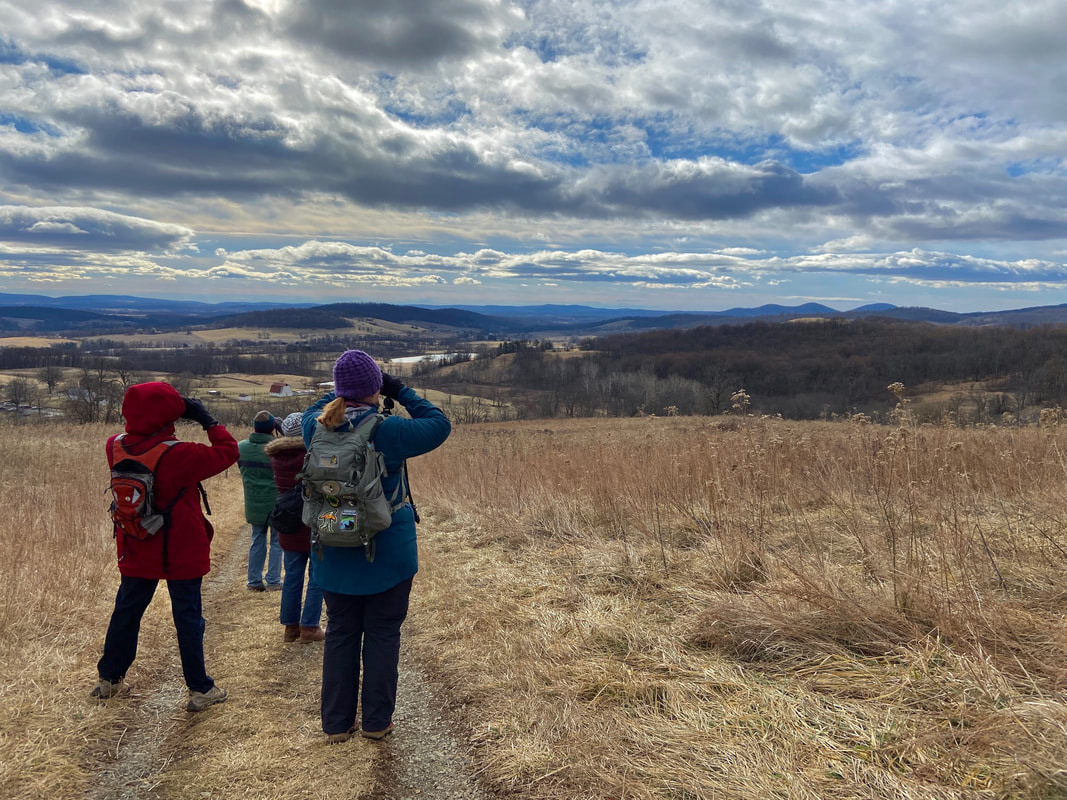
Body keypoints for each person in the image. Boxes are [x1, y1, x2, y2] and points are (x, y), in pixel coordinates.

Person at [302, 350, 450, 743]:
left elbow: (316, 408)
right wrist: (398, 388)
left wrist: (343, 391)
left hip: (332, 547)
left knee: (340, 633)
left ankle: (336, 724)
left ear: (338, 389)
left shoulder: (311, 428)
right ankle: (375, 723)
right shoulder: (388, 431)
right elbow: (438, 423)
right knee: (383, 633)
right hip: (387, 553)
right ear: (374, 388)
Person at [92, 382, 238, 712]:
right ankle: (200, 689)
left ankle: (109, 680)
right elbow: (229, 451)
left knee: (127, 611)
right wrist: (207, 419)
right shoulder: (181, 453)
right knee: (188, 617)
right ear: (171, 414)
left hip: (136, 543)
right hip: (179, 548)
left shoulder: (114, 446)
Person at [264, 411, 325, 643]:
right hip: (313, 523)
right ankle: (309, 627)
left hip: (289, 526)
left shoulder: (277, 458)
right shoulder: (312, 456)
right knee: (317, 576)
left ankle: (290, 627)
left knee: (291, 576)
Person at [238, 410, 283, 591]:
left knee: (257, 539)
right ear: (273, 428)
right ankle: (273, 580)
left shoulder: (241, 447)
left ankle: (254, 581)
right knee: (277, 542)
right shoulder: (278, 449)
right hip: (276, 501)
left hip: (253, 502)